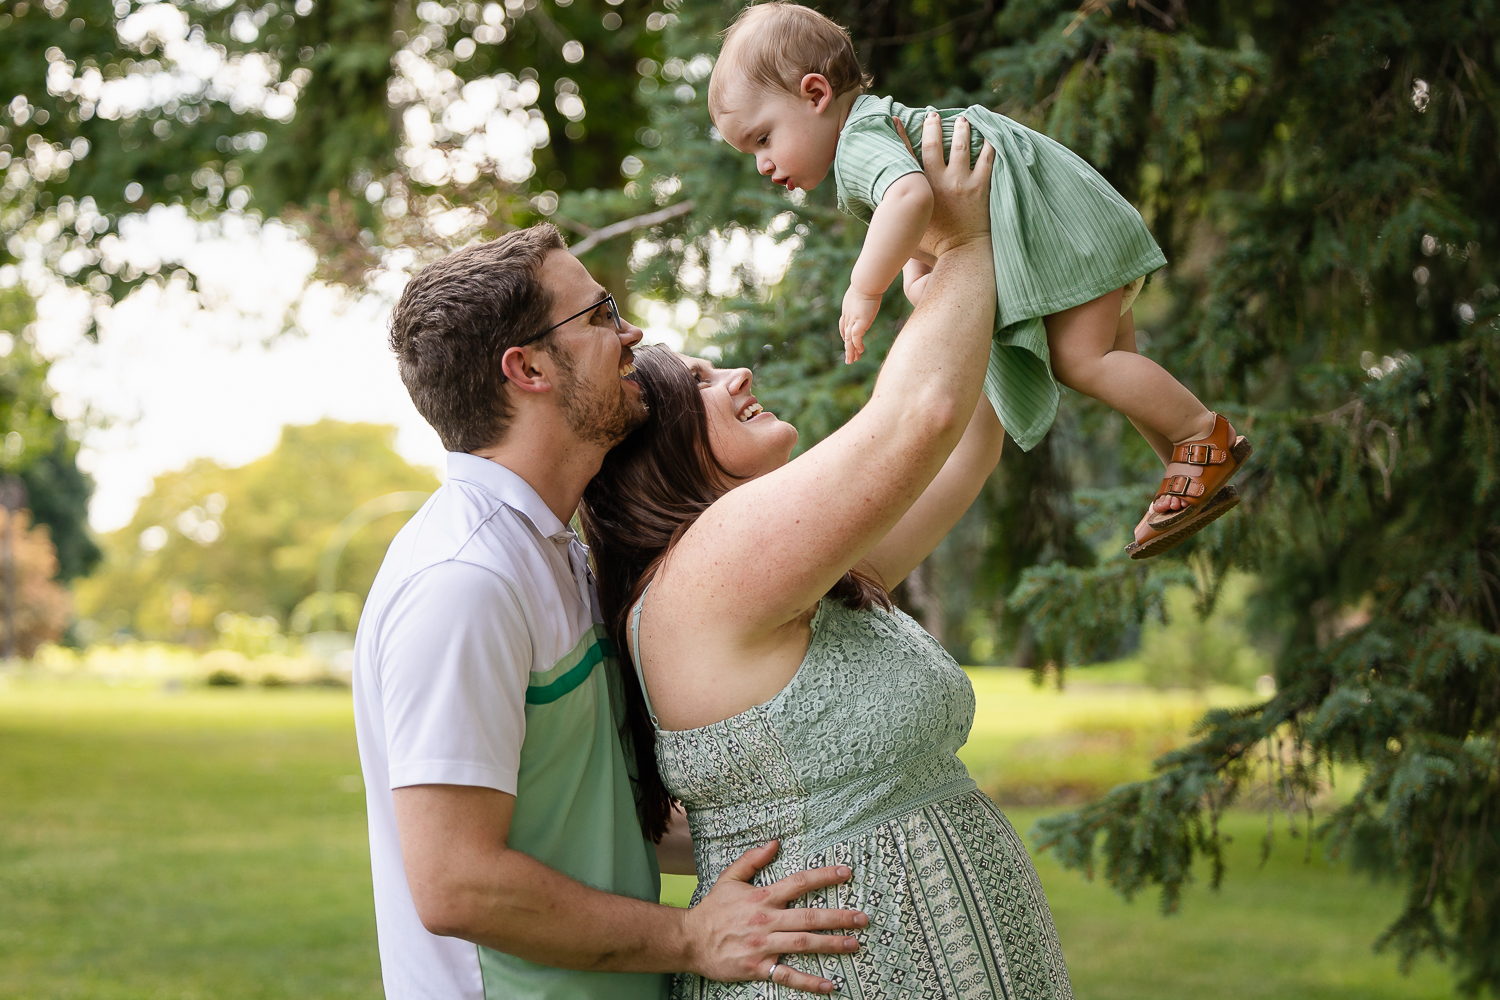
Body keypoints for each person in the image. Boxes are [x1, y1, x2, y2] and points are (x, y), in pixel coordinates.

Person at [580, 113, 1073, 999]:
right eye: (697, 382)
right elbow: (915, 419)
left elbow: (964, 444)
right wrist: (962, 245)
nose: (736, 376)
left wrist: (962, 296)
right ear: (650, 449)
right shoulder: (710, 567)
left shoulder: (794, 578)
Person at [353, 224, 871, 1000]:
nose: (631, 334)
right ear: (526, 367)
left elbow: (588, 808)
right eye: (599, 316)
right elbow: (457, 883)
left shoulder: (549, 551)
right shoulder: (463, 582)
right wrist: (692, 937)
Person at [706, 1, 1252, 560]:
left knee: (1081, 361)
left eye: (763, 138)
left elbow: (912, 196)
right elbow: (928, 209)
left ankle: (1199, 434)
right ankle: (1187, 468)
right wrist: (925, 272)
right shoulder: (880, 127)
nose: (763, 165)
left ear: (815, 94)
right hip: (1065, 218)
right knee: (1117, 361)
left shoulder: (855, 145)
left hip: (1057, 232)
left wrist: (864, 287)